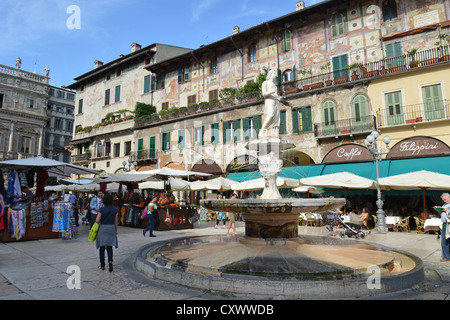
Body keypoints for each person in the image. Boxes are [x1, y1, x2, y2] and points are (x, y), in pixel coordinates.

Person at [95, 193, 119, 272]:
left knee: (102, 248)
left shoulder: (101, 209)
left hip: (103, 229)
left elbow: (97, 220)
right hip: (111, 228)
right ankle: (110, 261)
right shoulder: (115, 210)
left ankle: (102, 265)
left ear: (104, 201)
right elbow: (116, 222)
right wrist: (116, 231)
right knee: (109, 247)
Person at [439, 193, 450, 262]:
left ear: (449, 197)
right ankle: (446, 256)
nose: (444, 201)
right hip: (445, 224)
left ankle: (446, 256)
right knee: (445, 241)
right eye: (443, 200)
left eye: (445, 199)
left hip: (449, 224)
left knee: (445, 241)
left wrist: (447, 211)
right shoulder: (444, 205)